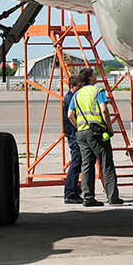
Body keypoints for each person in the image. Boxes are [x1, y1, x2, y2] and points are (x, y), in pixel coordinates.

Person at [67, 67, 123, 207]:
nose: (96, 75)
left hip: (81, 133)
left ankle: (88, 197)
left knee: (87, 165)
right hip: (96, 132)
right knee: (106, 164)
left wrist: (78, 127)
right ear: (90, 78)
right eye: (94, 74)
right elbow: (104, 109)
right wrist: (109, 128)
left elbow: (69, 115)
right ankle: (112, 197)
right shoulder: (98, 91)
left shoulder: (77, 94)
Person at [62, 75, 83, 203]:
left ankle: (73, 189)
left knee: (77, 162)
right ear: (72, 87)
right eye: (78, 86)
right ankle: (70, 193)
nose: (81, 88)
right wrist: (78, 127)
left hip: (72, 133)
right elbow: (70, 116)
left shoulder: (71, 97)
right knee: (76, 162)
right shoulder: (70, 99)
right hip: (73, 134)